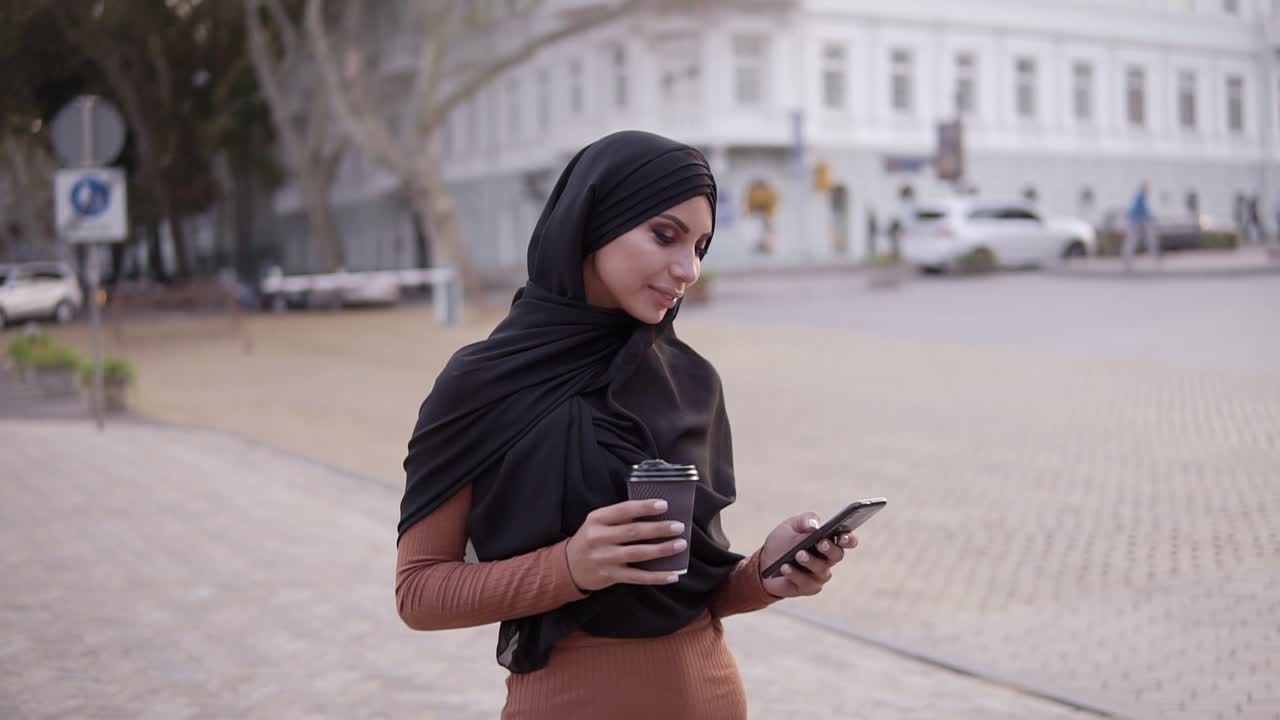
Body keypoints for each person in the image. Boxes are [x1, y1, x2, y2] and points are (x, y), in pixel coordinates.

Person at [395, 131, 858, 719]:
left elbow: (696, 594)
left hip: (713, 694)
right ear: (593, 220)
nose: (687, 268)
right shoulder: (483, 383)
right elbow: (418, 594)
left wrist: (767, 572)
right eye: (665, 235)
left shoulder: (690, 380)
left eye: (701, 246)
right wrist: (571, 567)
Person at [1124, 181, 1154, 269]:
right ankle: (1127, 260)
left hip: (1137, 221)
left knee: (1134, 240)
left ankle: (1128, 260)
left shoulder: (1139, 197)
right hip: (1135, 222)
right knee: (1133, 240)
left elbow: (1143, 211)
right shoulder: (1141, 197)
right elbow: (1144, 211)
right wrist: (1150, 218)